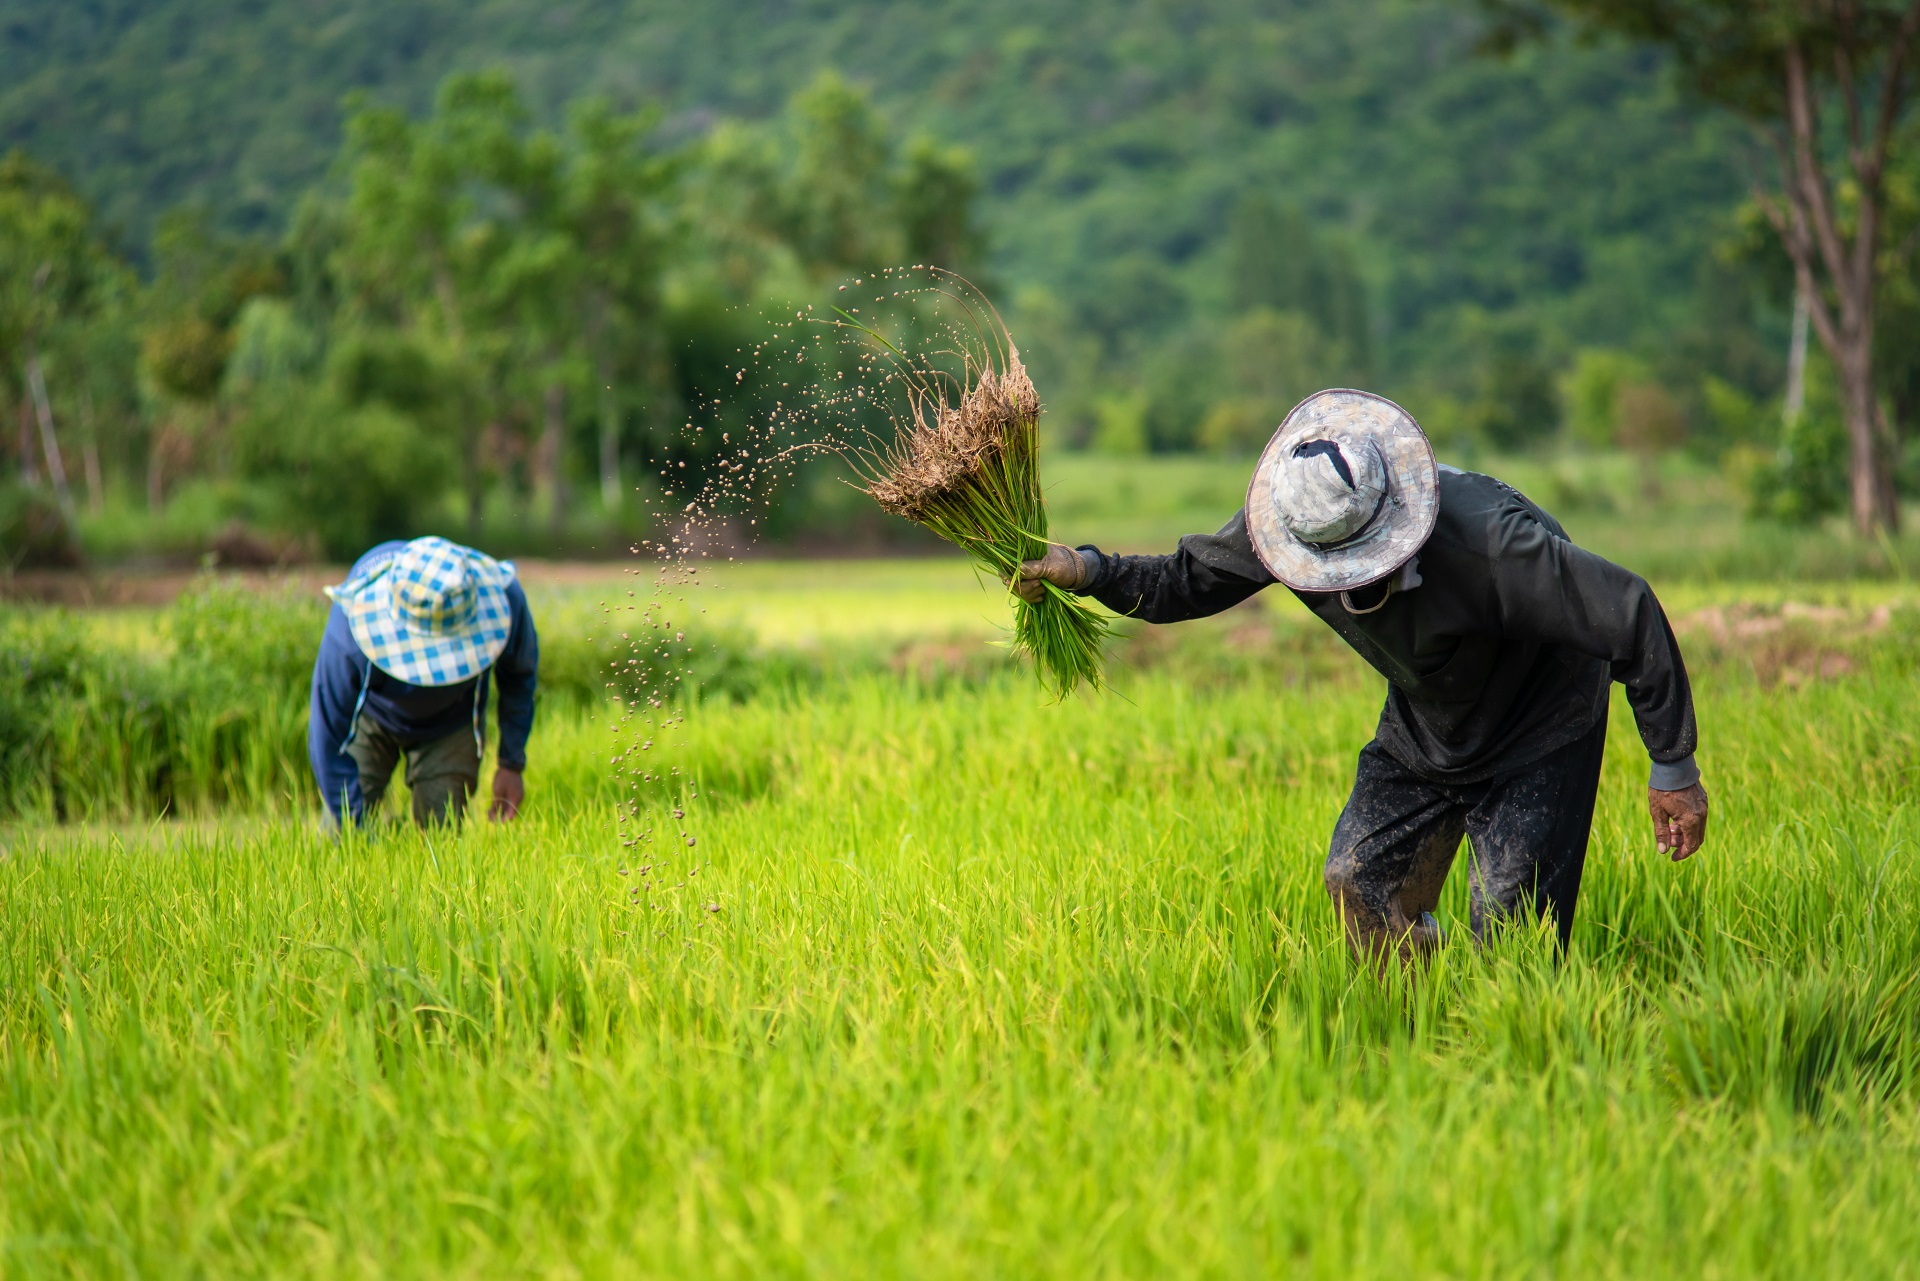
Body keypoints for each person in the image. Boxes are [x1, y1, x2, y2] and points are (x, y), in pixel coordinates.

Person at [1018, 389, 1709, 960]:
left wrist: (1672, 764)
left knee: (1511, 931)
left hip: (1539, 719)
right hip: (1426, 721)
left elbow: (1628, 613)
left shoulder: (1491, 544)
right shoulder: (1294, 522)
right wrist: (1086, 569)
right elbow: (1186, 580)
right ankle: (1403, 1036)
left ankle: (1518, 1054)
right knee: (1358, 880)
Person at [308, 535, 539, 829]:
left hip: (452, 722)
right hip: (371, 717)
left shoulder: (505, 597)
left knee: (439, 837)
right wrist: (353, 829)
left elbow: (518, 676)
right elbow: (327, 732)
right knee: (339, 836)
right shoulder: (349, 627)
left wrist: (511, 762)